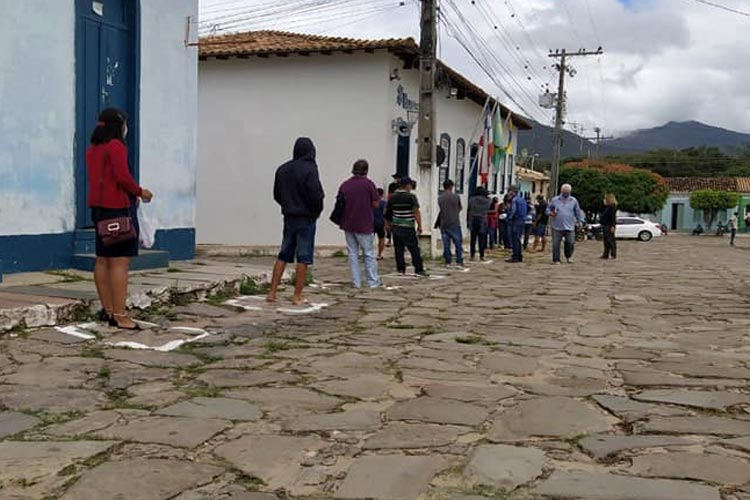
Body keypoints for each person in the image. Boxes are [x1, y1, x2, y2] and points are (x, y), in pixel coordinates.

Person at [87, 108, 154, 330]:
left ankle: (108, 310)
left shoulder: (93, 150)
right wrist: (139, 191)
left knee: (102, 260)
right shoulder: (115, 147)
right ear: (119, 126)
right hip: (117, 210)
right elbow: (122, 176)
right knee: (119, 263)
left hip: (98, 210)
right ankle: (120, 314)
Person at [267, 137, 325, 305]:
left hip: (289, 216)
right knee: (303, 257)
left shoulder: (282, 169)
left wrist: (288, 205)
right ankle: (297, 295)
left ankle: (272, 292)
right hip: (306, 218)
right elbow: (316, 194)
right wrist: (316, 211)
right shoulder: (310, 169)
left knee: (283, 254)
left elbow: (276, 195)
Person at [336, 159, 381, 289]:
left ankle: (356, 282)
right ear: (366, 170)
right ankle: (373, 281)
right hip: (364, 223)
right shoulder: (368, 184)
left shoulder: (345, 184)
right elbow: (376, 203)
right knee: (368, 253)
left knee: (352, 253)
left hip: (348, 222)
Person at [385, 177, 427, 276]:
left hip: (396, 227)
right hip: (408, 226)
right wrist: (420, 225)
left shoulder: (392, 197)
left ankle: (400, 269)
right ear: (407, 185)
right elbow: (416, 212)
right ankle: (418, 268)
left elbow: (387, 213)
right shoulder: (411, 197)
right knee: (414, 249)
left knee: (398, 249)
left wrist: (388, 225)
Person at [546, 184, 585, 264]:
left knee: (570, 242)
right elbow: (547, 209)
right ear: (561, 191)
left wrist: (580, 221)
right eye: (565, 191)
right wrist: (551, 213)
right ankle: (556, 259)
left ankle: (569, 256)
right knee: (556, 244)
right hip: (557, 226)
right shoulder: (555, 200)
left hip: (570, 226)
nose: (566, 193)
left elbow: (578, 212)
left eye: (568, 192)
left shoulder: (573, 201)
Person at [438, 179, 464, 267]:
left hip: (444, 223)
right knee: (458, 243)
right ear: (451, 186)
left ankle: (447, 261)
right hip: (454, 222)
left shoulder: (440, 198)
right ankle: (459, 260)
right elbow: (460, 208)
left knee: (446, 244)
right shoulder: (456, 197)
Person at [467, 186, 490, 261]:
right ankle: (481, 255)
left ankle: (472, 255)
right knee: (482, 239)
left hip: (473, 219)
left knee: (473, 239)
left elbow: (469, 209)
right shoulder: (487, 201)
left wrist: (467, 221)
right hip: (482, 220)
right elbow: (488, 208)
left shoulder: (471, 199)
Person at [505, 185, 527, 263]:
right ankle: (518, 255)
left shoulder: (515, 200)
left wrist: (508, 218)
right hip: (521, 220)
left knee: (514, 239)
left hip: (515, 221)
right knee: (517, 239)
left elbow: (513, 211)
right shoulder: (522, 200)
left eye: (509, 191)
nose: (508, 193)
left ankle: (516, 256)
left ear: (513, 192)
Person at [600, 193, 618, 259]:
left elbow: (613, 217)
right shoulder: (607, 207)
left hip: (609, 225)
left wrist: (613, 226)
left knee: (610, 240)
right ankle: (606, 254)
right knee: (606, 241)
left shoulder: (612, 207)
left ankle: (613, 254)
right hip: (605, 224)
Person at [385, 174, 401, 247]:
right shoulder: (391, 185)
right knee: (389, 223)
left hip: (399, 206)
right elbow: (389, 195)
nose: (396, 179)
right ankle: (389, 240)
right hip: (391, 205)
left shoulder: (401, 185)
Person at [374, 188, 387, 260]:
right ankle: (379, 254)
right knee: (381, 239)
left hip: (371, 223)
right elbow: (385, 214)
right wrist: (386, 224)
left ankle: (368, 254)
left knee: (369, 240)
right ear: (382, 195)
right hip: (381, 223)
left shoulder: (371, 202)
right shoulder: (384, 203)